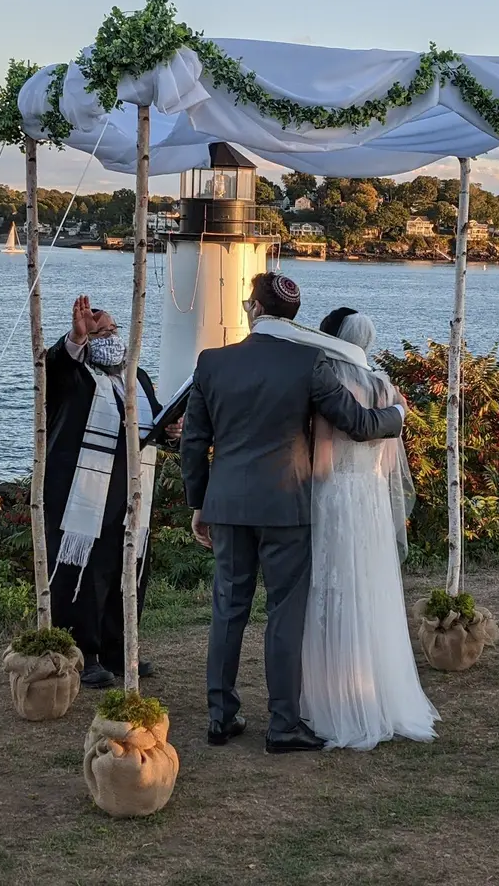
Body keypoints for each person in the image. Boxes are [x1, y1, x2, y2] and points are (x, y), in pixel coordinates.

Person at [180, 273, 406, 754]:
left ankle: (221, 717)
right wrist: (399, 416)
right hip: (286, 505)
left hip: (227, 505)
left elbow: (194, 442)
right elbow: (360, 424)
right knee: (285, 613)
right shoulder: (311, 363)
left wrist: (199, 502)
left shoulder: (212, 362)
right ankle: (282, 724)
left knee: (228, 609)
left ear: (254, 309)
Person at [301, 307, 439, 749]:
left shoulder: (329, 387)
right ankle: (379, 691)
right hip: (372, 499)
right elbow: (384, 460)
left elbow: (322, 466)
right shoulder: (385, 387)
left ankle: (331, 697)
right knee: (371, 591)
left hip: (337, 498)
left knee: (332, 591)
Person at [44, 295, 164, 689]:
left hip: (129, 493)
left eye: (113, 329)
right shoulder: (75, 377)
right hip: (82, 493)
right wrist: (75, 339)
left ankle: (117, 647)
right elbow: (54, 367)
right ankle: (84, 652)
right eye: (101, 331)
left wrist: (172, 431)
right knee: (86, 574)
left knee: (123, 569)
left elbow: (153, 423)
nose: (111, 336)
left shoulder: (136, 377)